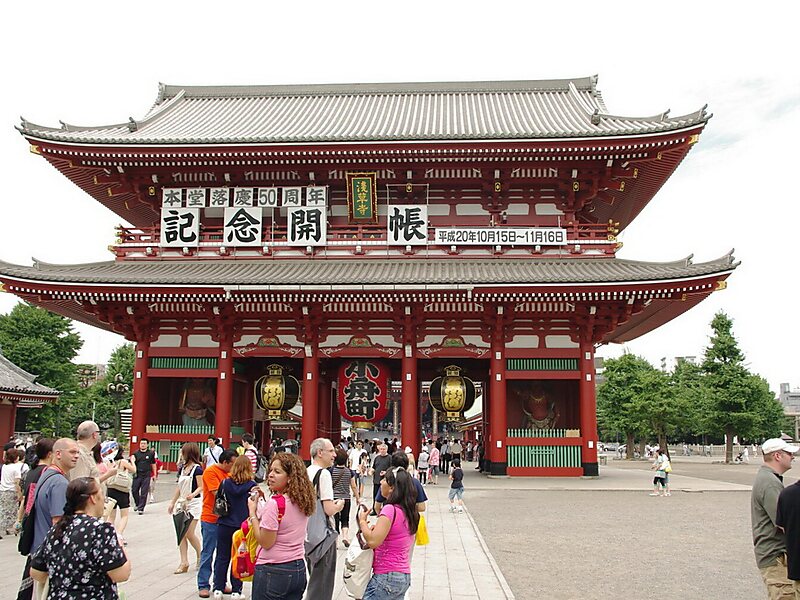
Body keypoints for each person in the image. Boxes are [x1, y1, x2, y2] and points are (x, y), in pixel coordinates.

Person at [30, 477, 131, 599]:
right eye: (101, 493)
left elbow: (37, 572)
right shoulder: (100, 530)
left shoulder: (57, 529)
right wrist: (119, 545)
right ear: (92, 498)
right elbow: (121, 574)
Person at [247, 452, 316, 600]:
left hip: (273, 569)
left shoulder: (275, 504)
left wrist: (253, 513)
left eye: (277, 472)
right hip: (298, 567)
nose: (271, 475)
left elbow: (266, 542)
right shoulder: (303, 500)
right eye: (271, 470)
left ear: (290, 477)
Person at [357, 466, 420, 600]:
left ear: (392, 487)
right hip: (403, 575)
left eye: (385, 479)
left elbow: (373, 541)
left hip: (386, 576)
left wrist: (362, 522)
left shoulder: (389, 510)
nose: (381, 482)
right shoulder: (409, 510)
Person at [751, 437, 798, 599]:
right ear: (778, 456)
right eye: (789, 453)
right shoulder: (770, 483)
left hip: (773, 554)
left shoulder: (768, 478)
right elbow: (785, 522)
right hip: (776, 556)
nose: (793, 456)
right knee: (786, 595)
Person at [14, 438, 54, 600]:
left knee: (31, 565)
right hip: (40, 522)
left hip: (30, 518)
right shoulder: (47, 473)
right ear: (51, 453)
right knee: (37, 568)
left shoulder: (31, 471)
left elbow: (25, 500)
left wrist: (19, 518)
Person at [213, 455, 257, 599]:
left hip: (225, 523)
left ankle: (218, 588)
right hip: (242, 526)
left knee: (221, 556)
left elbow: (218, 498)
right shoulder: (251, 485)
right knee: (239, 557)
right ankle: (236, 590)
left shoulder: (225, 483)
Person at [306, 437, 345, 600]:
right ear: (320, 453)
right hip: (323, 535)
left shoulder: (306, 471)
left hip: (307, 534)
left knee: (314, 578)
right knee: (323, 583)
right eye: (331, 451)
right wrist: (339, 505)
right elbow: (328, 509)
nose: (334, 455)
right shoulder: (324, 474)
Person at [198, 449, 237, 598]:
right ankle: (203, 584)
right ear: (225, 462)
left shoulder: (230, 474)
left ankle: (219, 583)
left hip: (226, 520)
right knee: (208, 552)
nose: (234, 468)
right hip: (210, 518)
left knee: (223, 554)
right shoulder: (210, 472)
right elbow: (217, 493)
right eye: (232, 464)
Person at [168, 442, 204, 575]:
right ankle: (184, 562)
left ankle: (200, 555)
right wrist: (172, 502)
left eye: (183, 452)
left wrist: (193, 494)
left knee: (189, 532)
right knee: (180, 533)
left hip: (193, 503)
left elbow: (202, 486)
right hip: (182, 502)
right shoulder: (183, 468)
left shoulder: (198, 469)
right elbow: (179, 486)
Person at [106, 445, 135, 547]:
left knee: (111, 515)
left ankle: (110, 535)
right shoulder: (122, 462)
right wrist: (133, 461)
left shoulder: (108, 461)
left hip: (110, 489)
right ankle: (119, 534)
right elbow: (134, 470)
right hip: (122, 490)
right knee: (124, 515)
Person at [332, 448, 359, 547]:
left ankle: (335, 542)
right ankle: (345, 537)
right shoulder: (350, 472)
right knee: (345, 519)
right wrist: (357, 497)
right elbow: (353, 486)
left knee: (334, 520)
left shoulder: (331, 471)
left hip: (334, 499)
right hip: (346, 498)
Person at [1, 448, 27, 535]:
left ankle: (4, 528)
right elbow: (17, 483)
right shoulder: (16, 468)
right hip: (12, 491)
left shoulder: (4, 466)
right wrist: (19, 494)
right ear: (16, 457)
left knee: (3, 510)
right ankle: (12, 528)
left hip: (3, 490)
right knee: (13, 511)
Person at [131, 438, 157, 514]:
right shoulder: (135, 453)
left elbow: (153, 464)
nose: (143, 445)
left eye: (144, 443)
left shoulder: (151, 453)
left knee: (144, 492)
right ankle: (137, 503)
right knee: (134, 490)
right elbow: (132, 464)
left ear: (147, 445)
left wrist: (154, 474)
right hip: (137, 475)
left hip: (146, 475)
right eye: (141, 443)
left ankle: (141, 508)